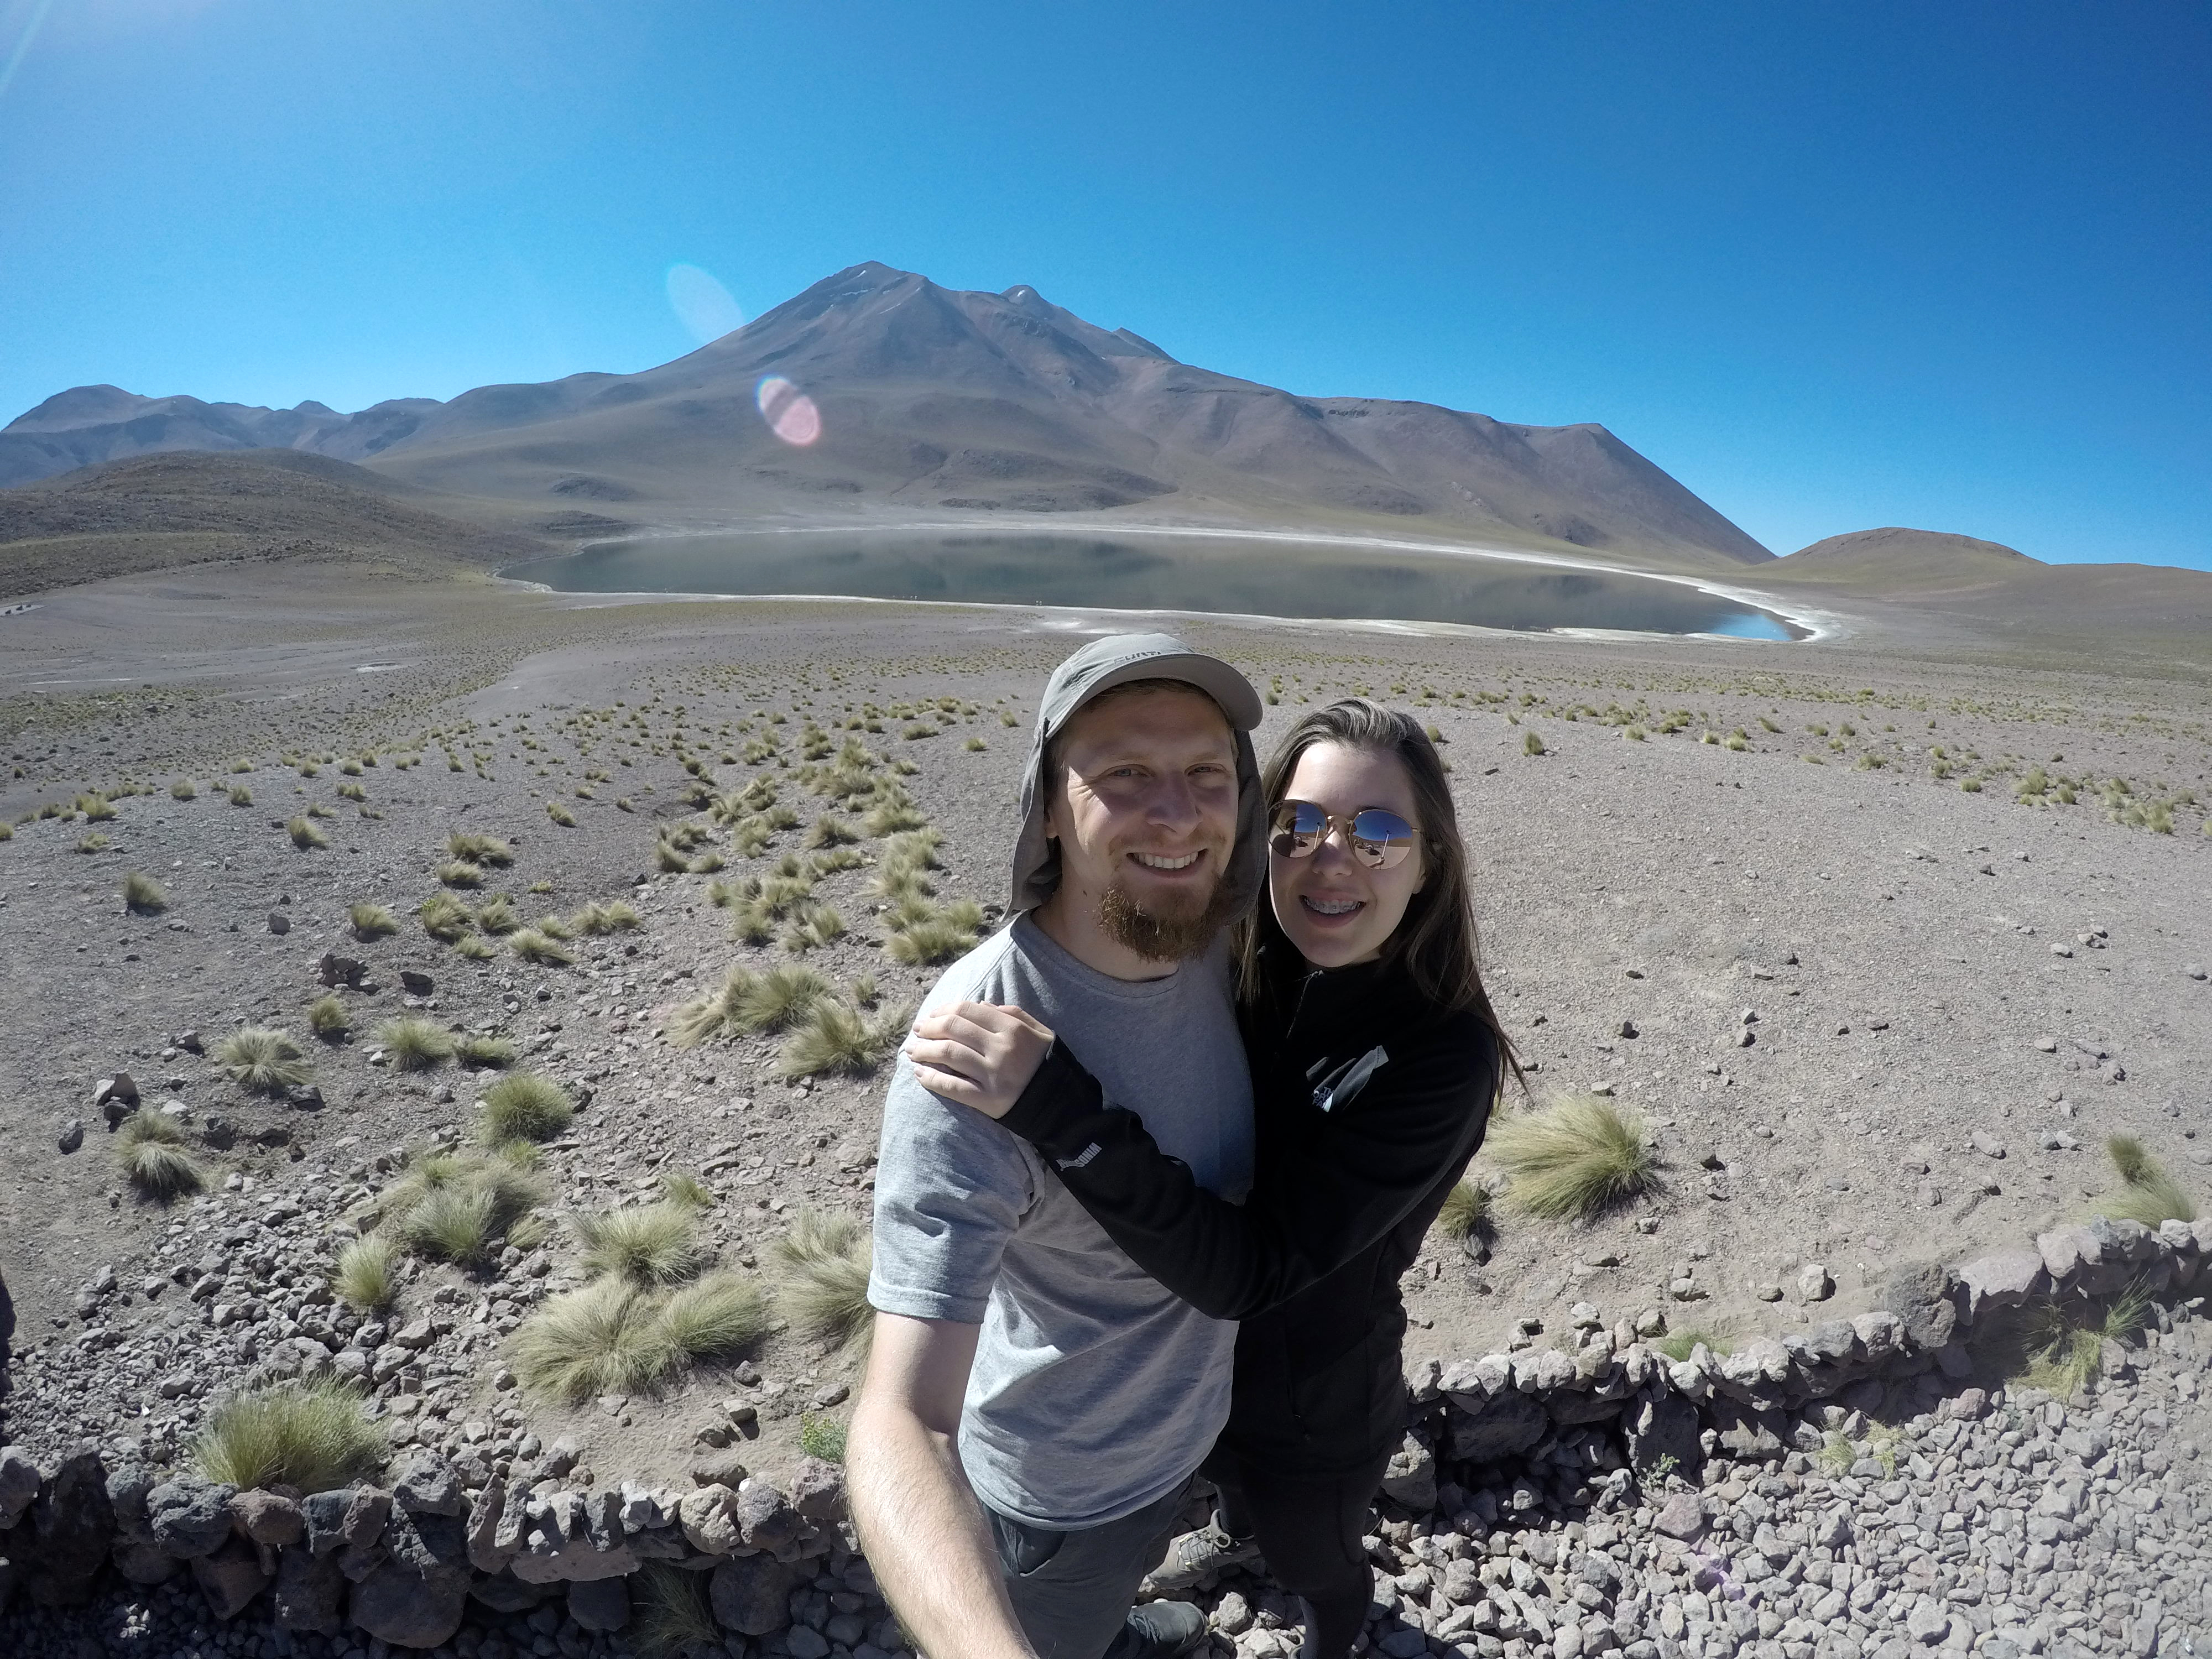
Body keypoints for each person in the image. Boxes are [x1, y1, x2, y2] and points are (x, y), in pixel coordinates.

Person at [906, 699, 1516, 1659]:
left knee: (1314, 1551)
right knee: (1222, 1506)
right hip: (1188, 1381)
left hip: (1312, 1399)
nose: (1332, 859)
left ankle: (1336, 1634)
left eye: (1381, 833)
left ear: (1431, 859)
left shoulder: (1442, 1055)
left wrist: (1061, 1108)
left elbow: (1255, 1270)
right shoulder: (1241, 957)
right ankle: (1226, 1543)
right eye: (1300, 826)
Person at [848, 632, 1271, 1659]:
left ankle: (1121, 1617)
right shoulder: (974, 1048)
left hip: (1184, 1433)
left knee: (1117, 1584)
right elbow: (901, 1418)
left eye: (1206, 775)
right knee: (1059, 1624)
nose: (1176, 815)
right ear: (1047, 803)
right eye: (1125, 774)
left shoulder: (1217, 938)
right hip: (1066, 1490)